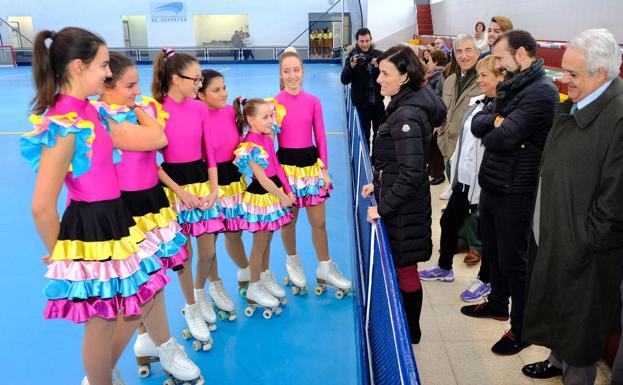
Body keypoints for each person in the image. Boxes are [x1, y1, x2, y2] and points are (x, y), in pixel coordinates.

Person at [20, 27, 167, 385]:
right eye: (102, 65)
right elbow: (41, 205)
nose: (106, 73)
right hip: (91, 227)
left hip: (114, 220)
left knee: (120, 311)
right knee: (100, 324)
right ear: (77, 67)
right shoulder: (65, 124)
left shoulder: (91, 112)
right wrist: (62, 256)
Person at [521, 28, 623, 384]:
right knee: (559, 319)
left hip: (585, 256)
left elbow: (613, 205)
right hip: (558, 238)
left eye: (572, 74)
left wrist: (580, 242)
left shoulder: (618, 120)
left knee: (580, 338)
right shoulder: (575, 104)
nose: (563, 80)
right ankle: (556, 361)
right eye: (563, 70)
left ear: (601, 73)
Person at [94, 52, 202, 383]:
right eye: (130, 85)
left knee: (154, 285)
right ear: (107, 84)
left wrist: (137, 105)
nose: (137, 90)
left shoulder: (144, 110)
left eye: (138, 83)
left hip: (153, 204)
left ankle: (152, 342)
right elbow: (159, 139)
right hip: (124, 209)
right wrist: (137, 110)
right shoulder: (100, 118)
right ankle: (100, 370)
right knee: (135, 293)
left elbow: (152, 161)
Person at [461, 30, 558, 356]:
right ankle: (498, 304)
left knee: (515, 262)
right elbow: (479, 123)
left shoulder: (541, 92)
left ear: (521, 55)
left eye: (500, 57)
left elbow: (499, 137)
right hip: (494, 181)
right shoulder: (513, 86)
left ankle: (521, 328)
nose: (497, 64)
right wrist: (497, 123)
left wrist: (498, 126)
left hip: (517, 188)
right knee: (494, 252)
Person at [361, 45, 446, 343]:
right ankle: (408, 329)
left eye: (385, 73)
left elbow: (411, 173)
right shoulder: (403, 104)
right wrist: (378, 181)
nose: (379, 78)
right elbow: (397, 160)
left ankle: (410, 334)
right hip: (403, 202)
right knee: (403, 266)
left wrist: (383, 208)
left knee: (406, 269)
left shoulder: (406, 114)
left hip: (404, 210)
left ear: (405, 76)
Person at [419, 55, 505, 303]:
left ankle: (486, 280)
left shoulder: (503, 109)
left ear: (501, 78)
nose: (479, 80)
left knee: (487, 235)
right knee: (448, 221)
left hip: (484, 182)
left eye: (484, 76)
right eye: (478, 75)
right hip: (465, 179)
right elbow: (465, 143)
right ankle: (445, 268)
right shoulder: (478, 103)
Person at [152, 48, 219, 349]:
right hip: (172, 189)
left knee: (207, 253)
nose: (199, 83)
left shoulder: (199, 108)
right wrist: (181, 193)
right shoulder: (156, 110)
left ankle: (200, 292)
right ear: (176, 79)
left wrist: (214, 187)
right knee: (185, 255)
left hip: (202, 183)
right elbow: (150, 163)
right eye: (195, 78)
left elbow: (211, 153)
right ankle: (191, 306)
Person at [276, 48, 352, 298]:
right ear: (281, 73)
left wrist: (325, 170)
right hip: (286, 166)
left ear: (303, 71)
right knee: (289, 221)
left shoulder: (313, 101)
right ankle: (293, 262)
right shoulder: (274, 103)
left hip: (310, 166)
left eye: (296, 70)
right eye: (287, 71)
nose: (292, 75)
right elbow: (267, 141)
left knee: (319, 222)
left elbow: (320, 137)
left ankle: (325, 267)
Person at [232, 98, 294, 317]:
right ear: (250, 119)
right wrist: (281, 196)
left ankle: (265, 275)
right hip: (262, 195)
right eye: (265, 117)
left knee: (267, 239)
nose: (270, 120)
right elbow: (262, 178)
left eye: (271, 115)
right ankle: (254, 285)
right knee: (259, 243)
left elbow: (276, 166)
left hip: (275, 192)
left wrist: (287, 189)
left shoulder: (267, 138)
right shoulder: (250, 144)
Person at [196, 69, 250, 320]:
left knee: (235, 232)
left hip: (233, 180)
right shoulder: (198, 115)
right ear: (201, 93)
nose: (223, 93)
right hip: (210, 182)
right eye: (216, 90)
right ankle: (214, 285)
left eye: (224, 88)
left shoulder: (230, 112)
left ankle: (246, 271)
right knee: (211, 241)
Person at [435, 34, 483, 263]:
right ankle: (461, 239)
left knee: (472, 198)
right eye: (459, 51)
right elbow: (443, 110)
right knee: (456, 196)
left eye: (468, 50)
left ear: (477, 52)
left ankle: (477, 245)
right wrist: (440, 135)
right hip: (449, 147)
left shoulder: (483, 80)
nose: (463, 55)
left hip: (470, 149)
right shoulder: (450, 79)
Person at [341, 28, 384, 155]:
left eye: (367, 41)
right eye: (361, 41)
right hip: (361, 104)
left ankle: (376, 161)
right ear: (357, 41)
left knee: (380, 134)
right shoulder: (352, 57)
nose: (364, 44)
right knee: (364, 135)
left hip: (378, 102)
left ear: (371, 40)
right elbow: (344, 80)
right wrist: (351, 67)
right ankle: (365, 160)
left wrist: (379, 65)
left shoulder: (379, 55)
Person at [422, 48, 447, 186]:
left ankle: (438, 173)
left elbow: (436, 95)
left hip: (434, 115)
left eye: (430, 60)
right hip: (432, 114)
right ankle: (433, 170)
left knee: (434, 147)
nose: (428, 62)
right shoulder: (433, 75)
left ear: (436, 61)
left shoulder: (438, 76)